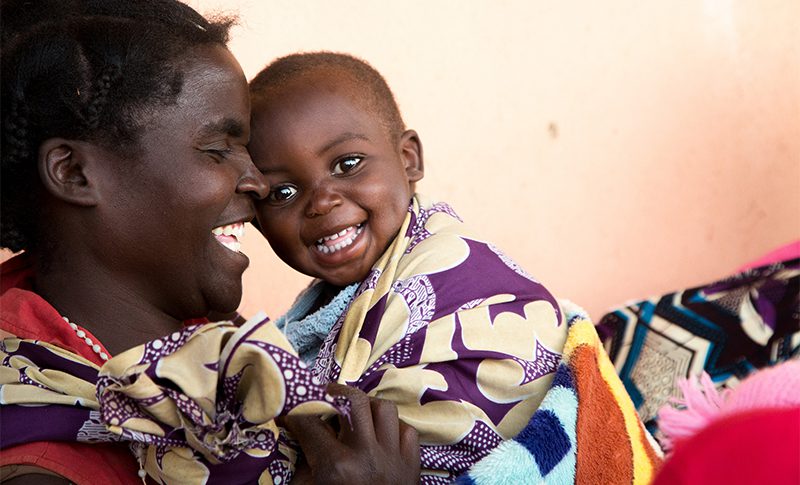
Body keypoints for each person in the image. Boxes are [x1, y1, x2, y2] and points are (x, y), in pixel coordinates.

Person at [0, 4, 418, 484]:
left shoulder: (214, 349)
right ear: (74, 173)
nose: (259, 183)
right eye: (218, 149)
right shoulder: (36, 464)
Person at [247, 52, 662, 483]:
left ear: (409, 160)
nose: (321, 201)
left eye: (346, 165)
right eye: (284, 192)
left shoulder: (460, 281)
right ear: (256, 220)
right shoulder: (317, 316)